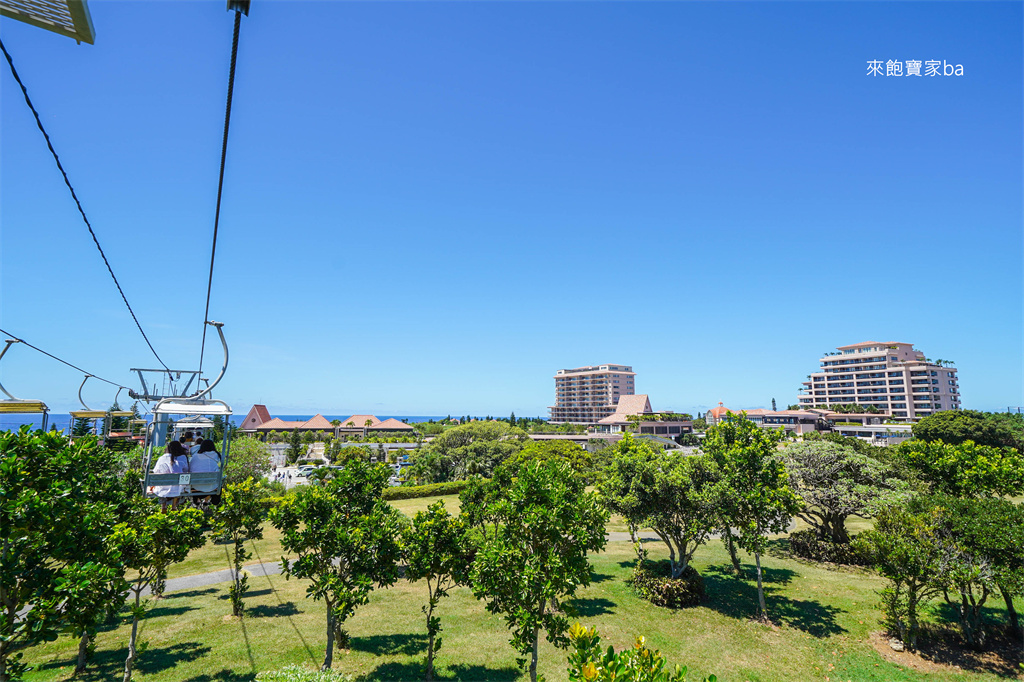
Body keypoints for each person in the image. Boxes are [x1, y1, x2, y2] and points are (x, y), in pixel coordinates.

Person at [152, 440, 189, 511]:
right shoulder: (181, 459)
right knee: (178, 484)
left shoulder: (162, 458)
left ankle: (163, 505)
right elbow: (186, 470)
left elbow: (155, 471)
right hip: (177, 488)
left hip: (162, 487)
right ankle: (174, 506)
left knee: (161, 484)